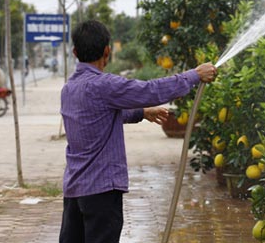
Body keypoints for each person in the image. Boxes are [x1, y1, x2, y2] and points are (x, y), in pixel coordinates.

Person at [59, 20, 217, 243]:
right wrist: (194, 75)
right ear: (107, 51)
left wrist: (141, 112)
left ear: (75, 52)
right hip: (101, 191)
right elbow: (151, 90)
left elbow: (97, 117)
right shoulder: (104, 85)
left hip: (75, 190)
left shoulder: (69, 89)